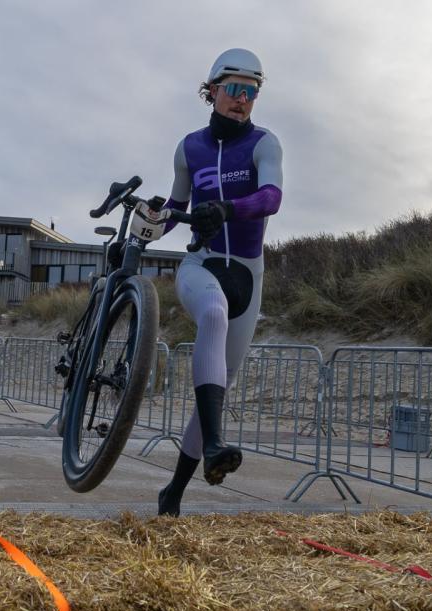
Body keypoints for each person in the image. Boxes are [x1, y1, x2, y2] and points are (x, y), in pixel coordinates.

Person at [154, 48, 284, 516]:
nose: (242, 99)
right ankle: (215, 444)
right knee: (211, 313)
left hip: (248, 274)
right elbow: (174, 207)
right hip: (202, 264)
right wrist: (147, 227)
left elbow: (271, 197)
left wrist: (230, 208)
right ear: (211, 91)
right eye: (233, 89)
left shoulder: (265, 143)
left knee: (219, 386)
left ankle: (173, 494)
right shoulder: (189, 147)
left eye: (251, 92)